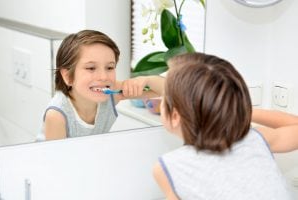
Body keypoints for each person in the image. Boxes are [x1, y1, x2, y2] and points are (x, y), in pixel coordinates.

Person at [153, 52, 293, 200]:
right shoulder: (256, 138)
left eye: (163, 97)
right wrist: (240, 112)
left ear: (175, 116)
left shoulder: (169, 167)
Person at [40, 30, 164, 141]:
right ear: (68, 76)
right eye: (91, 68)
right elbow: (56, 162)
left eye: (110, 67)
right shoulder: (57, 115)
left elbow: (167, 90)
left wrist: (148, 80)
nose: (103, 77)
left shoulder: (112, 93)